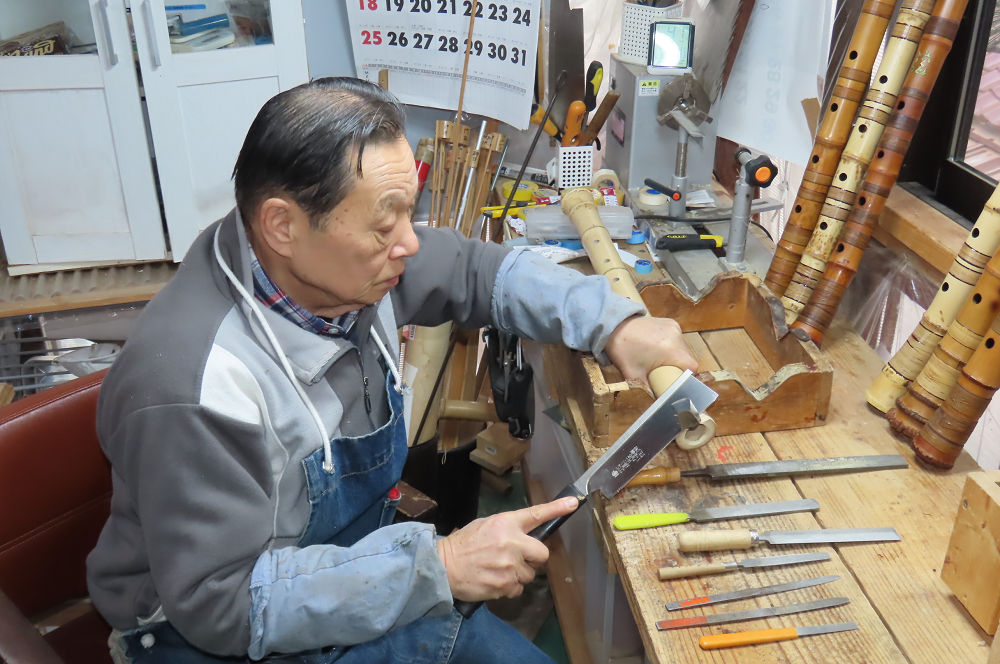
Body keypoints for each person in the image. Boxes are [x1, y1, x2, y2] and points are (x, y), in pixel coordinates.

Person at [86, 76, 697, 663]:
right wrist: (438, 566)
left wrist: (612, 323)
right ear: (282, 225)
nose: (408, 243)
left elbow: (477, 271)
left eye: (409, 211)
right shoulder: (193, 382)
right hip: (225, 631)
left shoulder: (336, 271)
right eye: (385, 224)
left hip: (352, 572)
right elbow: (223, 605)